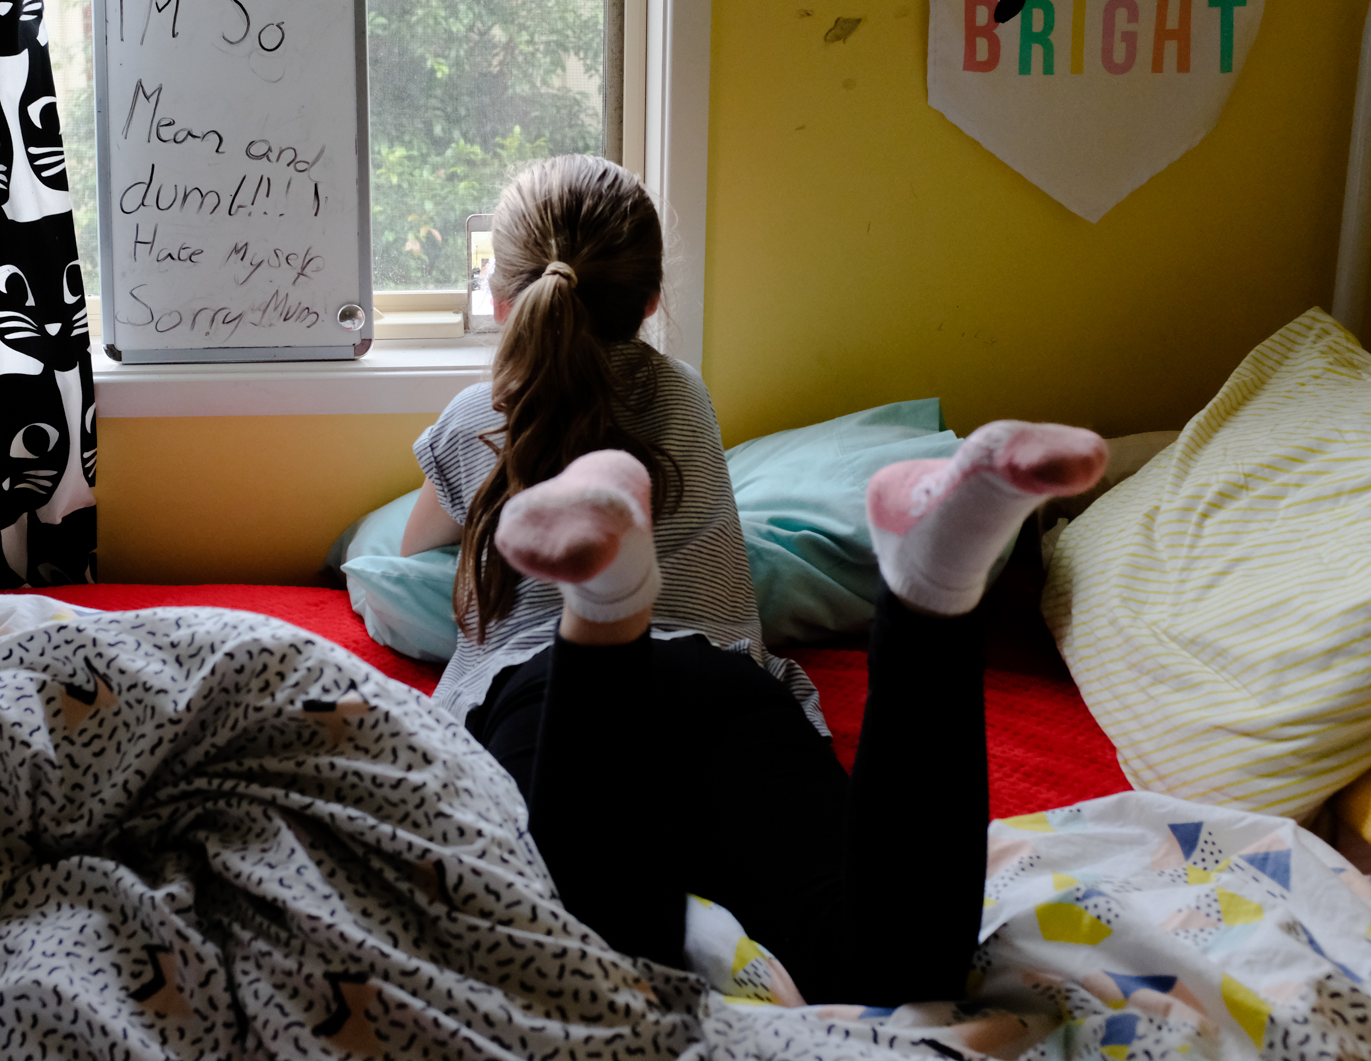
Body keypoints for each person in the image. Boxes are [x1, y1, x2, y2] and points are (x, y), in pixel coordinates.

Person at [401, 155, 1105, 1007]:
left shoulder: (477, 416)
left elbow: (408, 551)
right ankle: (934, 581)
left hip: (553, 693)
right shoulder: (687, 395)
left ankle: (610, 598)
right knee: (891, 966)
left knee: (586, 963)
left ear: (502, 301)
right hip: (724, 689)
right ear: (652, 299)